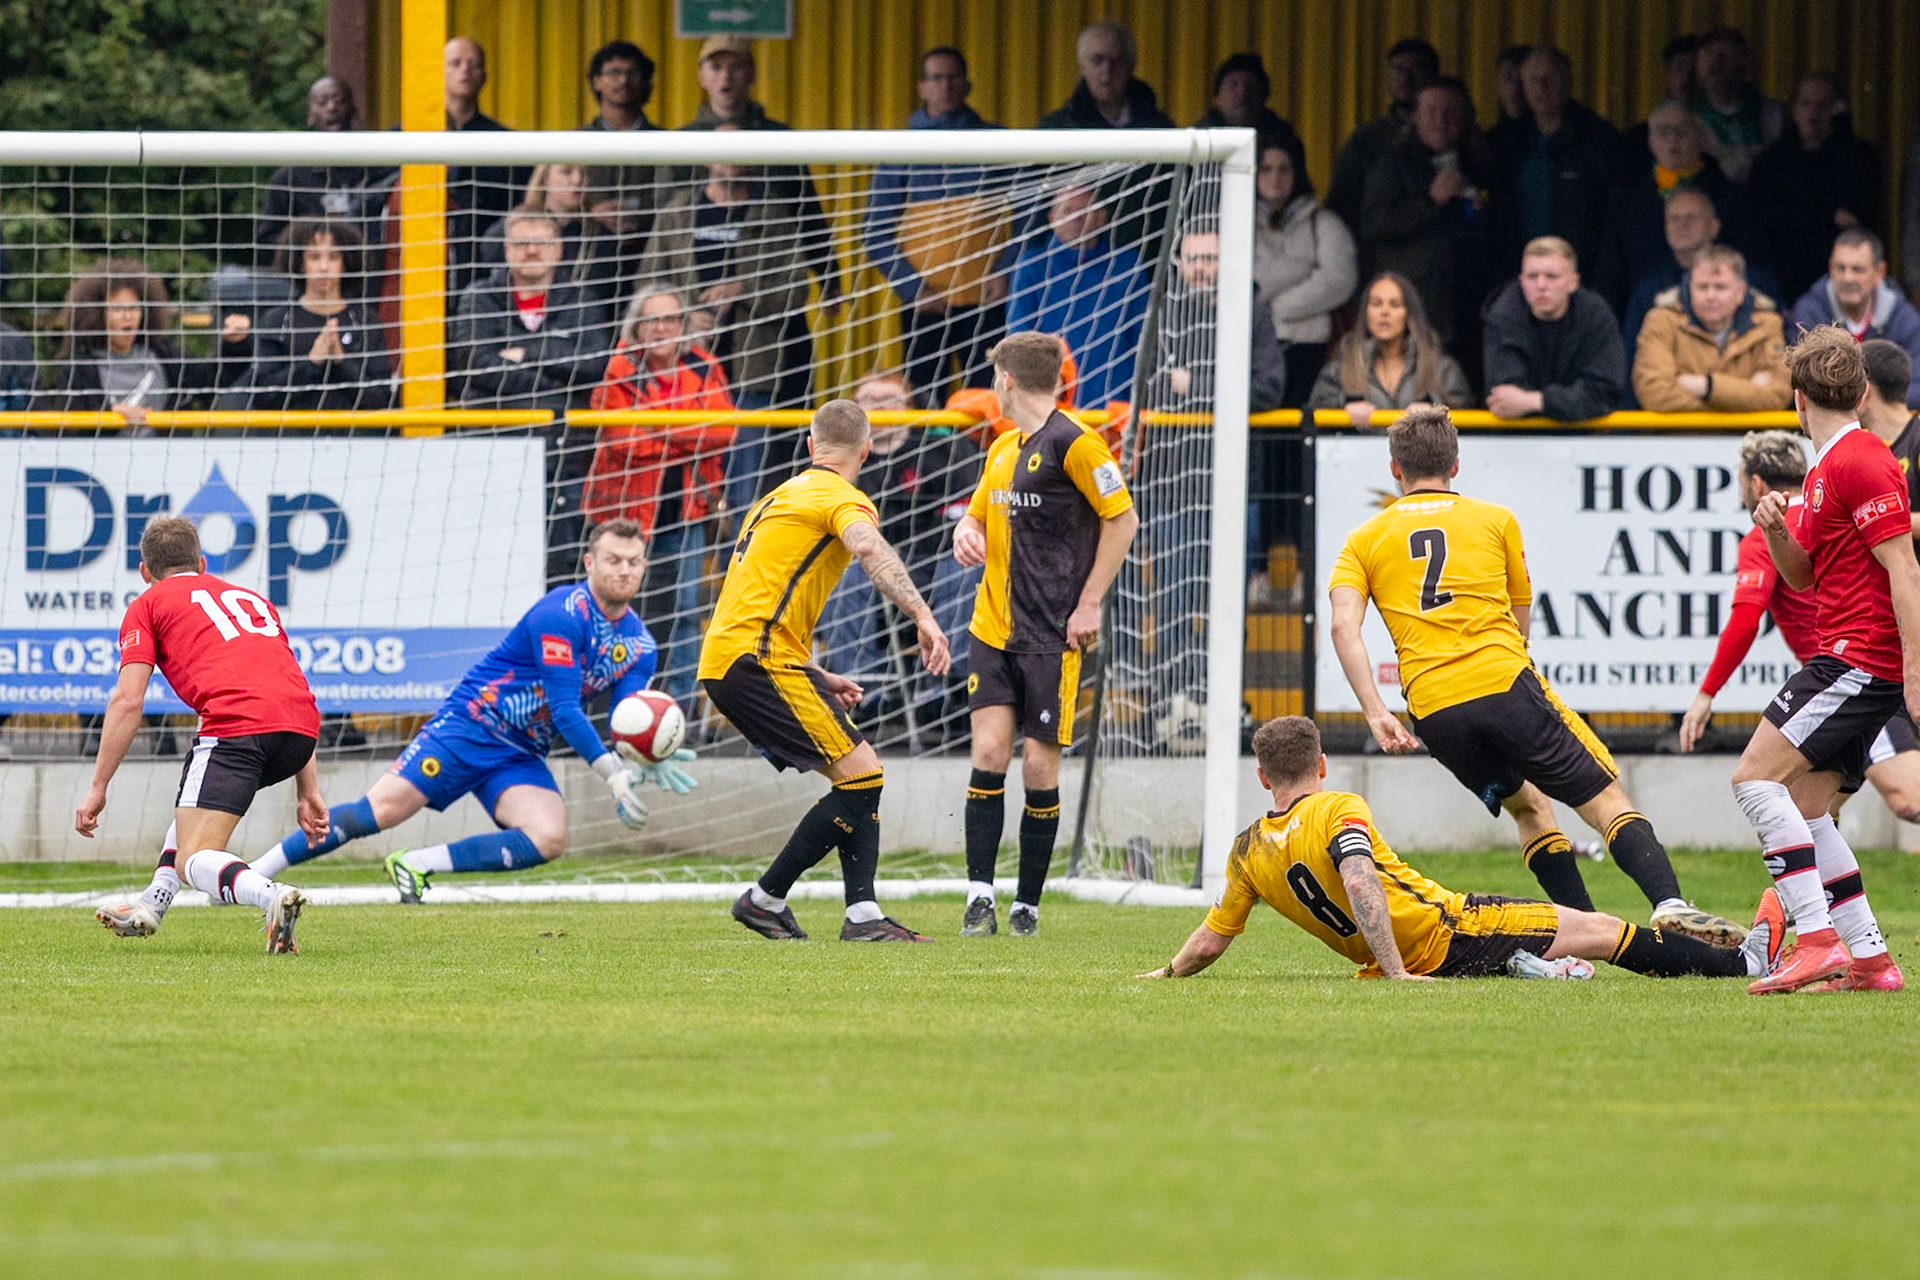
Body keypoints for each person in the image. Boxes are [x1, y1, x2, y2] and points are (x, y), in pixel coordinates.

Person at [1327, 406, 1743, 943]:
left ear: (1393, 469)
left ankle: (1591, 930)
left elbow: (1343, 627)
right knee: (1606, 798)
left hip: (1432, 710)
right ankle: (1667, 903)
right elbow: (1521, 615)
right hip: (1503, 684)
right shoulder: (1495, 519)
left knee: (1529, 806)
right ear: (1456, 463)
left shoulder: (1362, 538)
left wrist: (1376, 712)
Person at [246, 519, 692, 902]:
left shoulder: (640, 646)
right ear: (591, 563)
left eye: (634, 562)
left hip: (519, 751)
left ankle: (416, 864)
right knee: (377, 813)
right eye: (614, 559)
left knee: (549, 836)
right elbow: (564, 709)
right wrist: (611, 773)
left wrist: (644, 758)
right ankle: (253, 876)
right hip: (470, 724)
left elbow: (627, 718)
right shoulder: (560, 612)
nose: (624, 570)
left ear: (645, 568)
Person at [1139, 716, 1777, 983]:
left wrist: (1164, 974)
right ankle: (1747, 966)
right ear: (1323, 764)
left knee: (1565, 941)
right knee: (1600, 929)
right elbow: (1359, 881)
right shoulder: (1337, 807)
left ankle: (1528, 969)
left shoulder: (1247, 848)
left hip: (1419, 947)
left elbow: (1210, 940)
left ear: (1262, 778)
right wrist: (1399, 974)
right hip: (1448, 928)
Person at [700, 400, 951, 943]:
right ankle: (764, 900)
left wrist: (814, 672)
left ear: (811, 446)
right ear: (865, 451)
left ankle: (863, 916)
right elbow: (869, 548)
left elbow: (754, 600)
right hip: (756, 660)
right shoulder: (842, 497)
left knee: (858, 774)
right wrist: (923, 615)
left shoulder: (774, 498)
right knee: (863, 777)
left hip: (735, 658)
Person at [1728, 326, 1912, 994]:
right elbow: (1803, 578)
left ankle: (1815, 939)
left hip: (1859, 659)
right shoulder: (1832, 464)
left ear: (1796, 399)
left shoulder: (1859, 460)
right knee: (1806, 807)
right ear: (1862, 392)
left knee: (1753, 780)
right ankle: (1869, 957)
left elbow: (1906, 570)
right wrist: (1775, 528)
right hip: (1861, 660)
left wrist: (1913, 674)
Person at [952, 333, 1140, 937]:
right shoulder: (1003, 448)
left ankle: (1026, 905)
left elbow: (1124, 518)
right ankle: (979, 897)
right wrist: (965, 530)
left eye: (993, 379)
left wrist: (1089, 603)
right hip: (993, 628)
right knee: (987, 753)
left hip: (1052, 635)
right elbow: (977, 513)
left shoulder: (1078, 444)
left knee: (1037, 767)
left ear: (1006, 380)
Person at [82, 518, 321, 953]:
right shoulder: (253, 599)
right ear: (203, 563)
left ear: (144, 572)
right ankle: (152, 905)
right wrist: (309, 790)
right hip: (301, 732)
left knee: (195, 860)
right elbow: (286, 686)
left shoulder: (148, 603)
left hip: (236, 728)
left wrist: (98, 786)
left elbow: (128, 701)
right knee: (193, 803)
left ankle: (271, 896)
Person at [1682, 419, 1920, 826]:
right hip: (1875, 661)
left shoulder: (1765, 537)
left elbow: (1744, 622)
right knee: (1808, 810)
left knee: (1907, 799)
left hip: (1856, 673)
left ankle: (1801, 891)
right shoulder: (1825, 511)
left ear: (1756, 485)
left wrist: (1706, 694)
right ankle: (1804, 893)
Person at [678, 36, 843, 503]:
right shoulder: (679, 143)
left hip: (768, 332)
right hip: (697, 334)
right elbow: (663, 232)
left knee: (772, 443)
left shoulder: (779, 140)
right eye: (716, 66)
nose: (726, 77)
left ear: (751, 74)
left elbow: (809, 214)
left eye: (736, 67)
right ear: (701, 75)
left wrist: (830, 280)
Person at [642, 121, 821, 512]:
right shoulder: (678, 213)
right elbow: (649, 284)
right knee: (683, 487)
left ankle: (735, 569)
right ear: (704, 156)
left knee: (746, 487)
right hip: (684, 372)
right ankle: (690, 568)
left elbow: (796, 289)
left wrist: (743, 290)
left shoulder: (772, 213)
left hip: (751, 370)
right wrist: (685, 319)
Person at [583, 286, 735, 711]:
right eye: (652, 319)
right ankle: (611, 706)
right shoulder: (618, 367)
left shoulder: (703, 365)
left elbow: (723, 430)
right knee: (616, 610)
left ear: (684, 325)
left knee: (686, 612)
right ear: (637, 326)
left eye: (670, 319)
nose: (662, 328)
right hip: (624, 514)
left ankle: (680, 707)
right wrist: (686, 432)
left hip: (686, 510)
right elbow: (621, 439)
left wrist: (656, 428)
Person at [813, 371, 982, 734]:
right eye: (869, 401)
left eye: (888, 400)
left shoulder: (943, 451)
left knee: (966, 565)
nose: (879, 409)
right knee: (841, 573)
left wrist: (909, 550)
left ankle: (949, 685)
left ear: (909, 406)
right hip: (869, 571)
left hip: (931, 562)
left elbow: (965, 516)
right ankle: (865, 688)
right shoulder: (842, 462)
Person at [861, 46, 1014, 408]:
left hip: (986, 301)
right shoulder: (901, 149)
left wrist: (1005, 272)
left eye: (952, 78)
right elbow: (875, 232)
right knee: (925, 405)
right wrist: (915, 289)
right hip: (925, 306)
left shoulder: (995, 141)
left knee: (989, 402)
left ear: (967, 86)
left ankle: (986, 465)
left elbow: (1031, 214)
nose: (945, 86)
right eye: (936, 78)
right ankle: (927, 468)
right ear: (922, 87)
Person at [1356, 76, 1494, 364]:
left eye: (1451, 112)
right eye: (1431, 111)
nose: (1440, 120)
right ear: (1416, 117)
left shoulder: (1485, 163)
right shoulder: (1391, 164)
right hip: (1414, 306)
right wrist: (1430, 201)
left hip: (1473, 304)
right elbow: (1374, 225)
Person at [1593, 102, 1756, 315]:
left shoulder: (1729, 197)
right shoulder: (1628, 201)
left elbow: (1750, 266)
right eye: (1662, 132)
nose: (1672, 140)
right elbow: (1609, 275)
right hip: (1645, 315)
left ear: (1702, 139)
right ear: (1650, 141)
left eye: (1682, 132)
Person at [45, 258, 250, 424]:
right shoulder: (80, 367)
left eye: (134, 308)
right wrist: (109, 417)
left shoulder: (162, 354)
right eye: (117, 309)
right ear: (97, 314)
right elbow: (69, 426)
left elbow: (214, 380)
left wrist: (237, 344)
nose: (128, 316)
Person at [452, 204, 611, 415]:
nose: (532, 251)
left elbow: (595, 363)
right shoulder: (478, 297)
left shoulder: (583, 300)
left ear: (558, 249)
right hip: (491, 425)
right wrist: (551, 386)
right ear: (507, 249)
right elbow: (476, 363)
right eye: (522, 243)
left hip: (564, 432)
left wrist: (526, 354)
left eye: (541, 243)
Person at [1005, 185, 1148, 409]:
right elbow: (1019, 333)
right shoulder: (1032, 266)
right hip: (1051, 400)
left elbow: (1143, 334)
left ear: (1102, 216)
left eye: (1085, 210)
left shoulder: (1127, 265)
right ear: (1052, 218)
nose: (1076, 218)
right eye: (1067, 210)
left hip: (1116, 400)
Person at [1490, 47, 1626, 279]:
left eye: (1549, 78)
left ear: (1568, 82)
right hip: (1521, 276)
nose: (1541, 87)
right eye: (1533, 79)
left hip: (1580, 275)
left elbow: (1614, 220)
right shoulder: (1509, 142)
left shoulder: (1599, 140)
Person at [1748, 73, 1882, 304]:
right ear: (1794, 108)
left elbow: (1855, 215)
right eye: (1805, 103)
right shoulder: (1771, 161)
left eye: (1823, 106)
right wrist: (1827, 214)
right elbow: (1763, 216)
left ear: (1837, 110)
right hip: (1782, 284)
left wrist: (1841, 132)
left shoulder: (1858, 156)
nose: (1813, 113)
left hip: (1841, 286)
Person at [1251, 129, 1358, 406]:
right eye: (1266, 169)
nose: (1275, 178)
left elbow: (1339, 280)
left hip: (1310, 352)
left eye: (1284, 169)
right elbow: (1243, 278)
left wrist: (1277, 309)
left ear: (1297, 173)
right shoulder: (1236, 221)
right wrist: (1301, 267)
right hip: (1253, 355)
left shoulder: (1323, 223)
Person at [243, 219, 393, 413]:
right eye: (314, 257)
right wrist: (312, 361)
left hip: (355, 438)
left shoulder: (365, 321)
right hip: (292, 438)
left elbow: (381, 399)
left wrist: (341, 361)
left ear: (345, 263)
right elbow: (262, 396)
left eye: (333, 257)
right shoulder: (278, 321)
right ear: (300, 263)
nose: (323, 267)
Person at [1616, 187, 1780, 362]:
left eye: (1691, 217)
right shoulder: (1647, 292)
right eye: (1674, 218)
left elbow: (1779, 367)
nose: (1682, 225)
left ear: (1714, 227)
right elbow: (1634, 363)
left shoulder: (1755, 282)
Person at [1631, 245, 1790, 412]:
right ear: (1689, 287)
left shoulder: (1768, 324)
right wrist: (1745, 391)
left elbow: (1779, 395)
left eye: (1720, 287)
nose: (1710, 296)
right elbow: (1654, 394)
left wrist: (1705, 386)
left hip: (1748, 437)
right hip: (1680, 437)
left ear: (1741, 292)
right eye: (1702, 287)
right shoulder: (1661, 321)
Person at [1481, 237, 1624, 420]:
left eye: (1551, 276)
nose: (1541, 285)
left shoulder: (1596, 315)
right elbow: (1504, 398)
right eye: (1532, 276)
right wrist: (1565, 402)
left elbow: (1603, 393)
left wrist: (1537, 401)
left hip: (1586, 435)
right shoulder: (1502, 315)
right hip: (1517, 438)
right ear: (1522, 281)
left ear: (1573, 282)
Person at [1307, 271, 1473, 424]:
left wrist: (1435, 413)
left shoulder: (1441, 368)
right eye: (1376, 304)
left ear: (1409, 313)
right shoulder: (1340, 368)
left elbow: (1468, 419)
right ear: (1365, 312)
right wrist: (1343, 408)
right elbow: (1312, 417)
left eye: (1394, 305)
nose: (1384, 312)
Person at [256, 76, 394, 255]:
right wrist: (311, 245)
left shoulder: (378, 166)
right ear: (310, 116)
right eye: (322, 102)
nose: (332, 107)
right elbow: (266, 241)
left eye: (339, 100)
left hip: (370, 276)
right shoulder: (288, 178)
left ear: (354, 109)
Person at [432, 37, 529, 292]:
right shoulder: (406, 136)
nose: (465, 70)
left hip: (486, 271)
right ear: (437, 71)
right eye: (455, 63)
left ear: (484, 76)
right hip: (421, 265)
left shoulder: (506, 144)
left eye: (473, 64)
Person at [1786, 232, 1920, 409]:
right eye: (1840, 268)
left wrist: (1864, 403)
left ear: (1879, 272)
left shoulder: (1905, 319)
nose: (1847, 278)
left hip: (1887, 431)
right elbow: (1804, 385)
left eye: (1858, 269)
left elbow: (1917, 387)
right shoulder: (1808, 313)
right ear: (1830, 268)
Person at [1325, 38, 1441, 228]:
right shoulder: (1367, 139)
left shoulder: (1451, 134)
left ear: (1432, 75)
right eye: (1397, 70)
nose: (1405, 79)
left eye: (1416, 70)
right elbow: (1340, 204)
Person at [578, 40, 667, 245]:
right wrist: (591, 214)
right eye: (614, 73)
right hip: (588, 251)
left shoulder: (665, 142)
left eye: (632, 73)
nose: (624, 80)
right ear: (596, 81)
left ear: (645, 81)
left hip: (651, 252)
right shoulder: (576, 142)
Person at [1689, 27, 1781, 185]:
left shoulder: (1772, 114)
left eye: (1724, 55)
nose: (1714, 63)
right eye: (1707, 54)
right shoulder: (1685, 114)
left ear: (1743, 61)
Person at [1624, 35, 1697, 161]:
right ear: (1667, 76)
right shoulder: (1642, 137)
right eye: (1679, 69)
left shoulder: (1714, 135)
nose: (1686, 76)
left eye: (1693, 70)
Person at [1195, 52, 1294, 138]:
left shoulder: (1283, 139)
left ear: (1265, 95)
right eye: (1233, 85)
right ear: (1217, 97)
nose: (1242, 93)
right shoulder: (1199, 138)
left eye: (1250, 85)